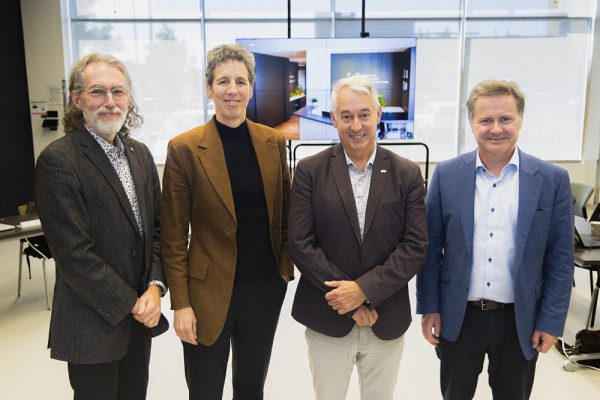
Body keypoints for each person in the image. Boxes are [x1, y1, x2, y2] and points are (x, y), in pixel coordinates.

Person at [416, 80, 574, 399]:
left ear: (520, 120)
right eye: (485, 120)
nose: (496, 129)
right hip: (460, 316)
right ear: (472, 123)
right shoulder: (446, 176)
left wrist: (552, 321)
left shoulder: (552, 180)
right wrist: (429, 306)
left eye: (505, 119)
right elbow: (430, 250)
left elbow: (560, 259)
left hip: (521, 320)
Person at [161, 43, 293, 399]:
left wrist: (283, 269)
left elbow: (284, 215)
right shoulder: (184, 148)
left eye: (240, 81)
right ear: (209, 89)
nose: (232, 90)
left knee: (251, 388)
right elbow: (173, 235)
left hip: (264, 289)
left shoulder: (273, 142)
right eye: (222, 81)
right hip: (206, 292)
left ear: (251, 87)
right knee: (205, 390)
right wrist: (181, 304)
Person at [35, 53, 167, 400]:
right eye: (98, 91)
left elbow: (157, 231)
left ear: (129, 99)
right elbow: (74, 255)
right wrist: (134, 303)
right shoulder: (59, 161)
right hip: (91, 324)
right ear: (78, 100)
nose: (110, 102)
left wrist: (154, 287)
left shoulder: (140, 155)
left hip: (139, 322)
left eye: (118, 92)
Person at [288, 74, 428, 399]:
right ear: (334, 119)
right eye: (347, 116)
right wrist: (349, 301)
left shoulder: (406, 174)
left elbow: (415, 246)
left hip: (386, 318)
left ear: (378, 115)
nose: (356, 125)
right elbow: (301, 243)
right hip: (328, 318)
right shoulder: (310, 171)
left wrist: (365, 292)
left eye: (364, 114)